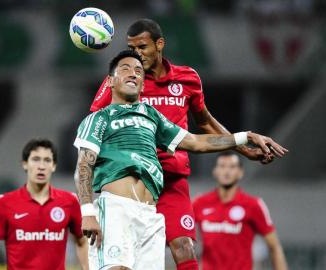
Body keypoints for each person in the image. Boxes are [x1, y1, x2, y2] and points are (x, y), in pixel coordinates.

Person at [75, 50, 287, 270]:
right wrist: (87, 212)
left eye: (138, 71)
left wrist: (245, 137)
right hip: (117, 209)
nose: (133, 74)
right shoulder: (100, 118)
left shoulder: (152, 116)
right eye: (125, 69)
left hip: (150, 215)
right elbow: (84, 164)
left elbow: (196, 142)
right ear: (110, 81)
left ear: (143, 84)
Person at [0, 138, 89, 270]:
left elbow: (83, 243)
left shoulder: (70, 201)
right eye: (35, 159)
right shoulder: (4, 203)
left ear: (54, 166)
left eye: (47, 160)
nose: (41, 166)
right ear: (25, 164)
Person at [192, 151, 288, 270]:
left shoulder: (253, 205)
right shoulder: (199, 203)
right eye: (222, 166)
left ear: (240, 173)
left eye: (232, 167)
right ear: (215, 171)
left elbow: (274, 246)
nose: (226, 171)